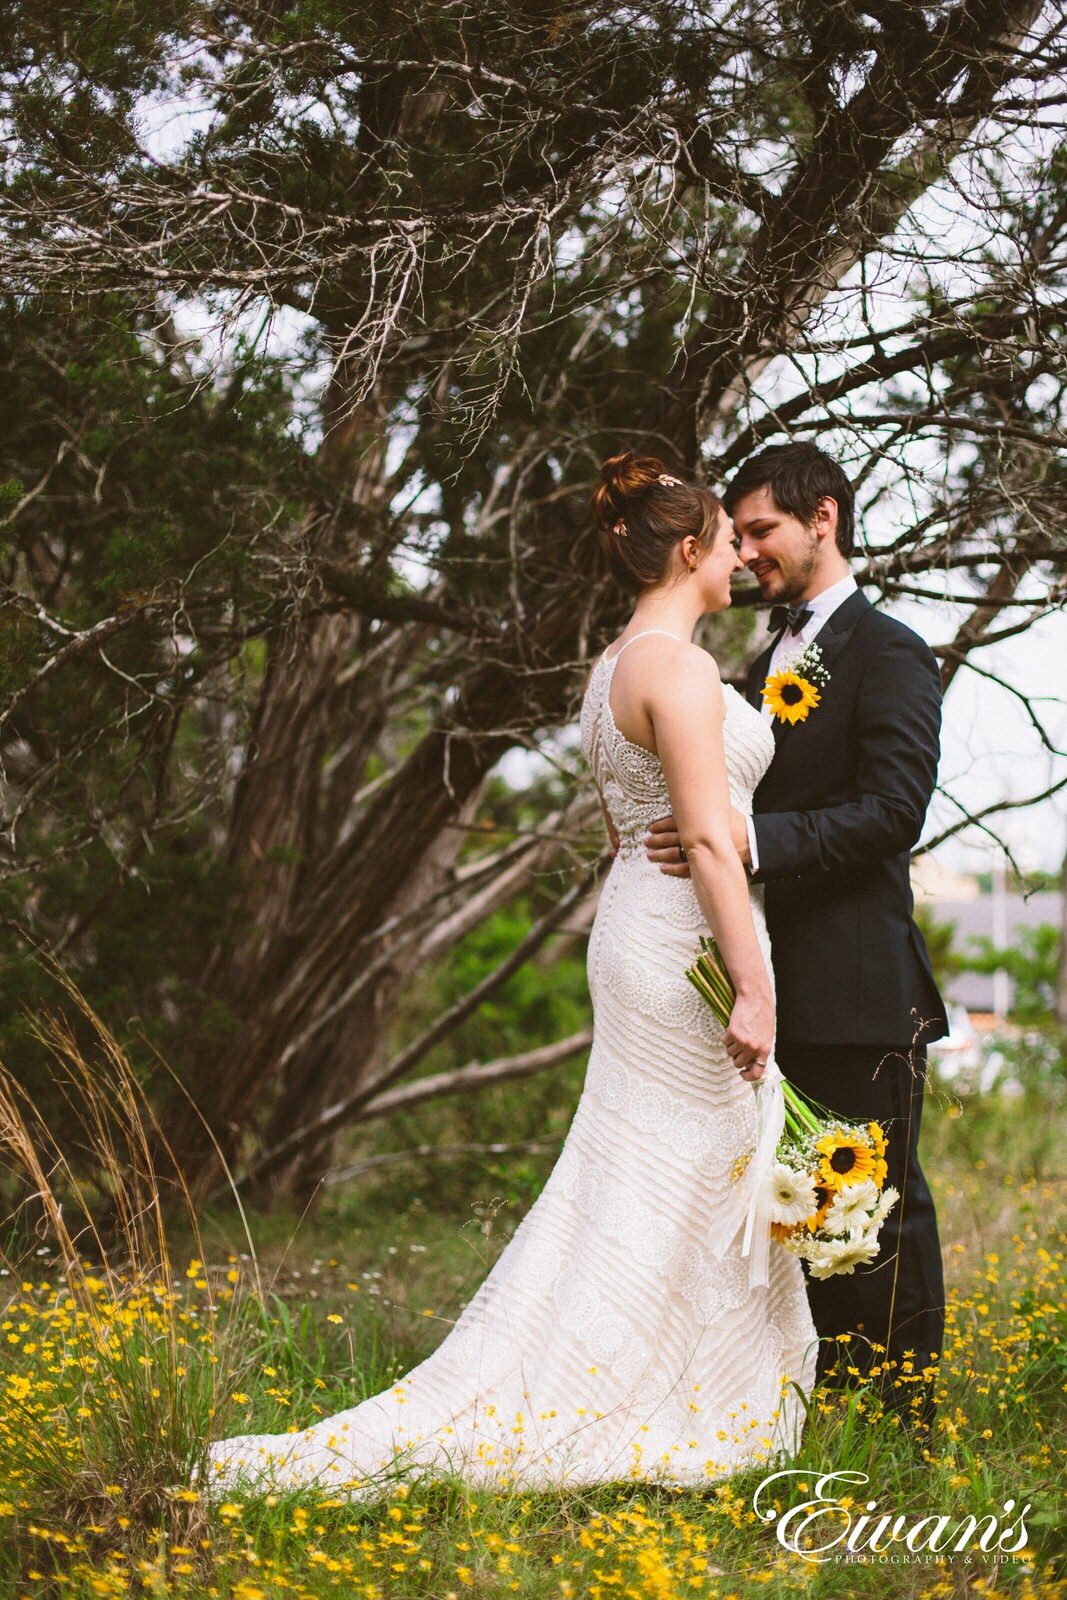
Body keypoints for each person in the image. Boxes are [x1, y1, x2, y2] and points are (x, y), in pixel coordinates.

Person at [206, 453, 816, 1496]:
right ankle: (637, 1392)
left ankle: (671, 1375)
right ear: (686, 548)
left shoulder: (611, 667)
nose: (736, 555)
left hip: (633, 921)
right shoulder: (674, 670)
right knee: (681, 1163)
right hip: (679, 940)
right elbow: (711, 846)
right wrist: (753, 987)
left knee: (646, 1165)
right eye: (724, 538)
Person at [646, 441, 947, 1427]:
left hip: (857, 981)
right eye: (738, 534)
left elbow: (890, 812)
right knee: (796, 1211)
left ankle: (898, 1430)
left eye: (761, 528)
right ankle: (806, 1413)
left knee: (875, 1215)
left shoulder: (888, 650)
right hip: (768, 981)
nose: (747, 549)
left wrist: (745, 836)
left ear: (823, 517)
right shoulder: (756, 656)